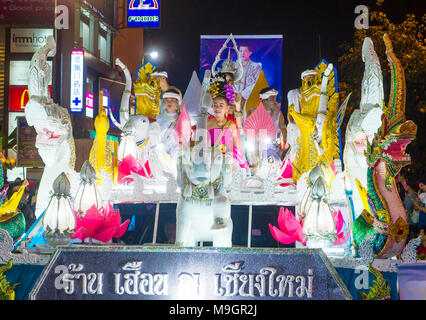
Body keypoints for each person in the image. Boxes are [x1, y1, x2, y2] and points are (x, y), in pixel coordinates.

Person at [233, 45, 262, 111]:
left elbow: (256, 83)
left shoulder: (255, 66)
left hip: (247, 98)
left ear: (250, 53)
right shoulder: (233, 65)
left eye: (245, 51)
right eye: (241, 51)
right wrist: (234, 94)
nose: (242, 53)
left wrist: (242, 94)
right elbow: (229, 82)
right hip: (233, 98)